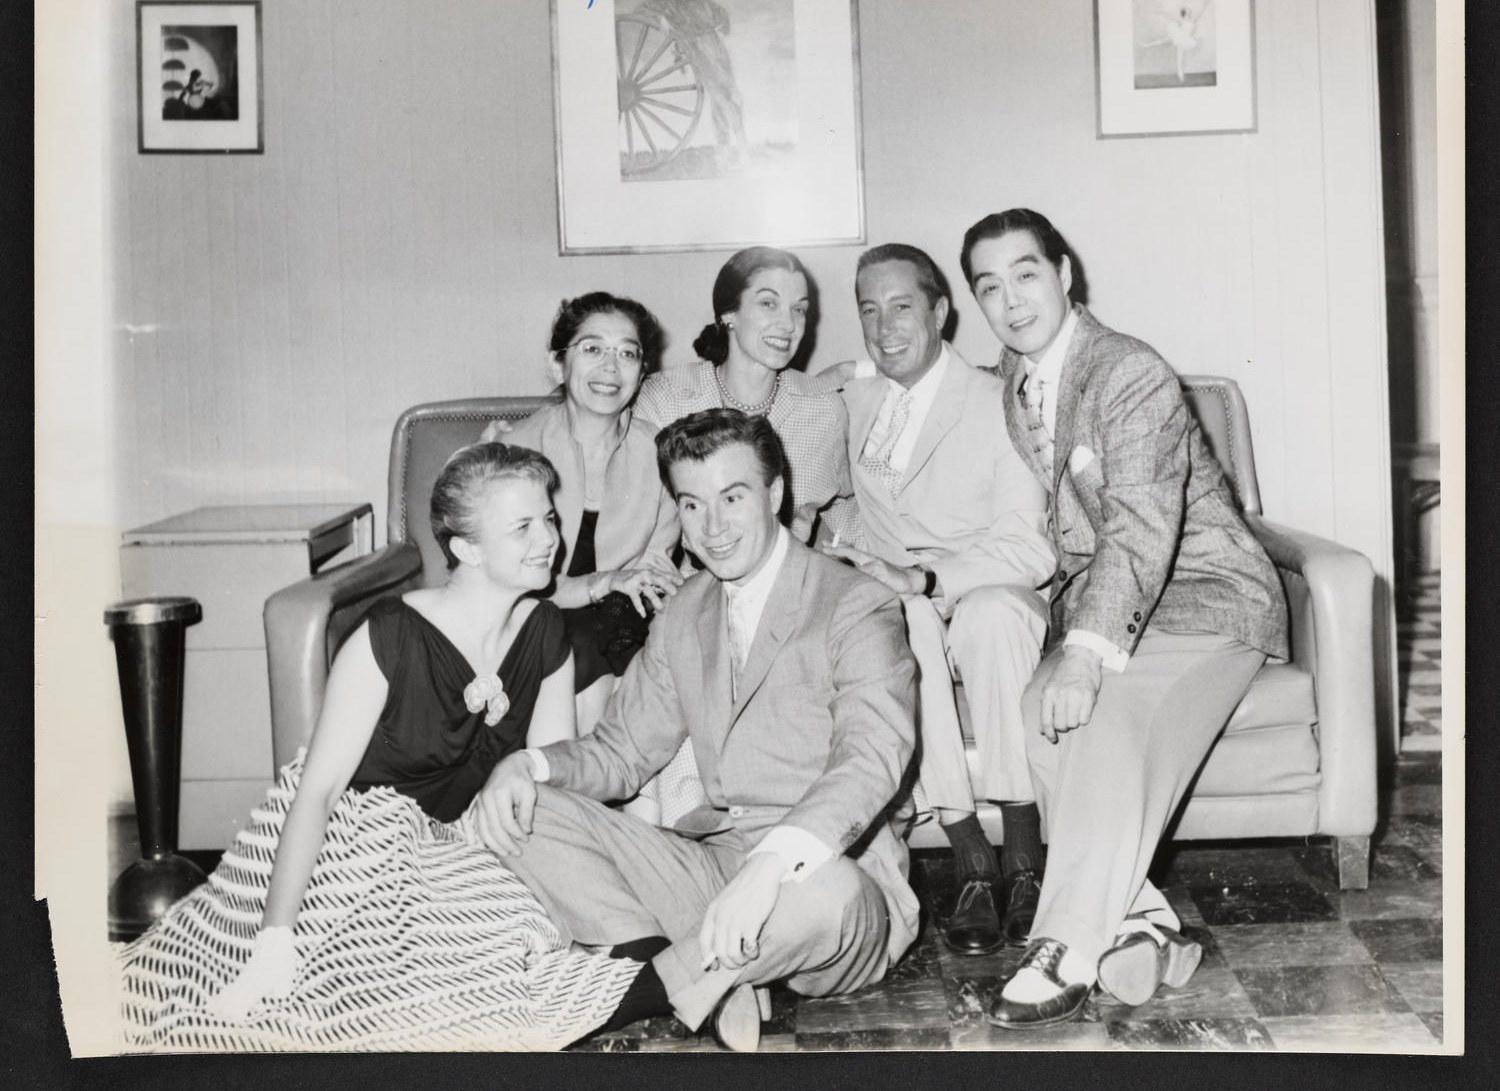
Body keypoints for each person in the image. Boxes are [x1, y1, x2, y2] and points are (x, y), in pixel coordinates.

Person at [119, 443, 640, 1052]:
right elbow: (315, 795)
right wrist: (275, 940)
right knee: (305, 1006)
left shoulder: (546, 632)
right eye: (522, 526)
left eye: (548, 517)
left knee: (489, 980)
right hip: (343, 843)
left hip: (452, 849)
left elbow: (550, 785)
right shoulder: (387, 636)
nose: (548, 537)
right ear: (466, 549)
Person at [472, 409, 920, 1052]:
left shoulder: (856, 602)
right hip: (717, 872)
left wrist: (771, 867)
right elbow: (622, 751)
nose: (712, 527)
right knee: (524, 808)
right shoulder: (685, 610)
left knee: (827, 892)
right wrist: (529, 766)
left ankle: (636, 993)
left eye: (732, 498)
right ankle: (710, 976)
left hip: (831, 883)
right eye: (691, 504)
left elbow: (871, 758)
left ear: (774, 494)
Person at [957, 209, 1289, 1029]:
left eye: (1026, 274)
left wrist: (1084, 653)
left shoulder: (1127, 369)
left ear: (1065, 273)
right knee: (1037, 715)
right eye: (988, 286)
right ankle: (1138, 922)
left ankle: (1064, 944)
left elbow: (1139, 525)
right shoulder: (1015, 383)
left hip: (1211, 596)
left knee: (1099, 710)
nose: (1010, 299)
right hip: (1132, 600)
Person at [827, 243, 1055, 957]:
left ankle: (1023, 859)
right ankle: (972, 865)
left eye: (902, 306)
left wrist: (925, 576)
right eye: (869, 309)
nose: (885, 326)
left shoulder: (997, 400)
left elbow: (1032, 550)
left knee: (982, 614)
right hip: (910, 604)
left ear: (940, 311)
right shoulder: (857, 400)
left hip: (994, 594)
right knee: (900, 619)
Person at [484, 293, 683, 733]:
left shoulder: (662, 453)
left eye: (627, 353)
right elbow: (504, 584)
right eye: (592, 349)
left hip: (623, 623)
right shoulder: (514, 449)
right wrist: (601, 584)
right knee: (572, 646)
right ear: (558, 364)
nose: (611, 367)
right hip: (530, 619)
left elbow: (653, 570)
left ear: (642, 372)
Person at [633, 245, 861, 550]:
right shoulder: (665, 399)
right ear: (729, 313)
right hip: (687, 581)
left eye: (799, 309)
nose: (789, 325)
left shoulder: (823, 407)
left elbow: (841, 508)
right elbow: (637, 517)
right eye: (769, 303)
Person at [638, 0, 749, 168]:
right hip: (695, 50)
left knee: (720, 101)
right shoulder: (666, 5)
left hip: (715, 48)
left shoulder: (700, 1)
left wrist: (723, 30)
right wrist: (660, 17)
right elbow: (641, 8)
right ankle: (740, 150)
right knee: (723, 97)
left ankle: (726, 156)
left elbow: (722, 13)